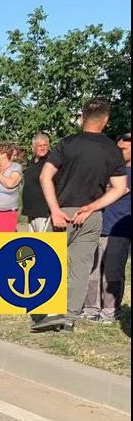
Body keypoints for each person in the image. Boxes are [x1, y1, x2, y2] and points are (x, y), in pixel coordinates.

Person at [34, 99, 127, 332]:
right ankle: (68, 318)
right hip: (91, 216)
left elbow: (45, 177)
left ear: (82, 117)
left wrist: (54, 210)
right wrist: (93, 207)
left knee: (46, 259)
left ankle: (48, 310)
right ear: (105, 120)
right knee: (80, 269)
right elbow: (119, 188)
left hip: (62, 211)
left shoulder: (67, 144)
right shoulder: (112, 150)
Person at [84, 133, 131, 324]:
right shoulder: (111, 169)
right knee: (94, 270)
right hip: (100, 226)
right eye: (117, 149)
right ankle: (91, 307)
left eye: (123, 149)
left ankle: (111, 310)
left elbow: (119, 191)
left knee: (112, 271)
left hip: (120, 230)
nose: (118, 153)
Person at [0, 143, 23, 232]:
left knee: (4, 242)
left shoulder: (15, 168)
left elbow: (10, 183)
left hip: (7, 213)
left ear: (4, 155)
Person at [21, 133, 52, 232]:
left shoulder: (51, 162)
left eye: (45, 145)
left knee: (42, 242)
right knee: (33, 242)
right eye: (39, 146)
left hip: (43, 211)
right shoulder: (32, 162)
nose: (42, 148)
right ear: (33, 147)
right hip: (31, 210)